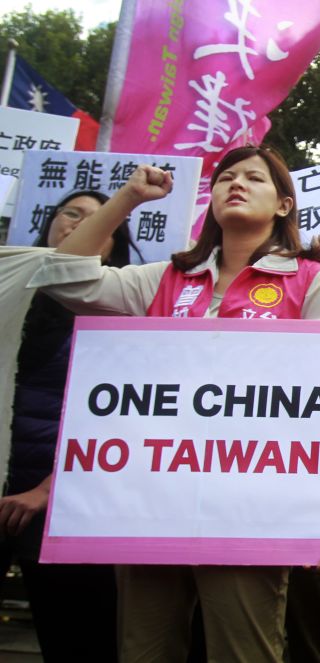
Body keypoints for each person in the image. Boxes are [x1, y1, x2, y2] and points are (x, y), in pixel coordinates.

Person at [28, 145, 320, 663]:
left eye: (254, 178)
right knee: (144, 648)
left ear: (283, 206)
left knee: (241, 649)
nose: (236, 184)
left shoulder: (312, 283)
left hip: (252, 506)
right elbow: (60, 276)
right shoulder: (164, 278)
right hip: (151, 498)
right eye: (226, 177)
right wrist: (128, 198)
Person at [0, 190, 138, 661]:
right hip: (7, 477)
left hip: (68, 499)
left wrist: (49, 487)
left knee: (77, 637)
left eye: (99, 220)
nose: (79, 225)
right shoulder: (9, 295)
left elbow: (123, 417)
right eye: (71, 215)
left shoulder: (121, 311)